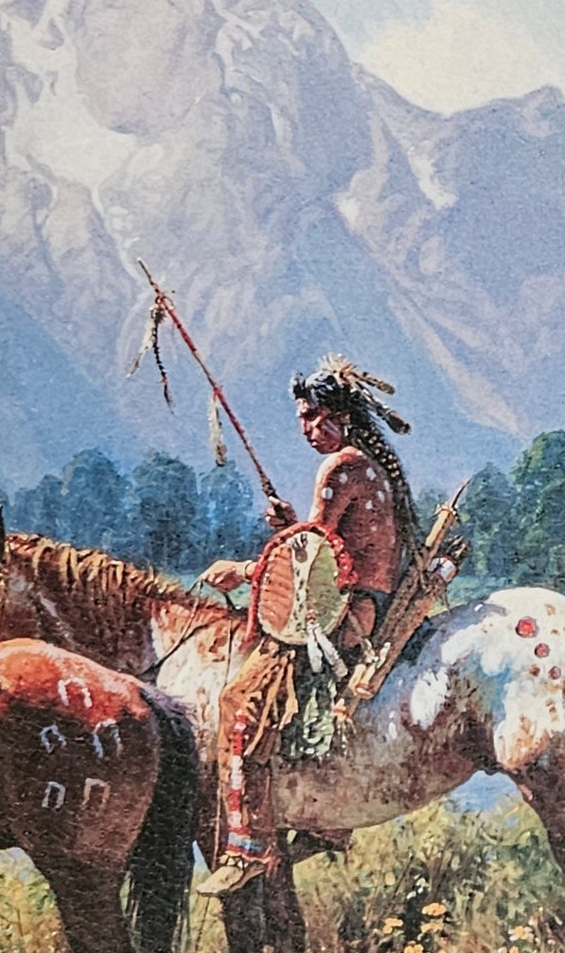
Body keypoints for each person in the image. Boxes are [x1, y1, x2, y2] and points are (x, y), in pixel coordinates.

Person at [197, 356, 421, 897]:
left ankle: (247, 846)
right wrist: (292, 526)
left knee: (239, 701)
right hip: (366, 603)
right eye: (301, 418)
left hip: (348, 612)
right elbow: (324, 541)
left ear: (341, 416)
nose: (306, 428)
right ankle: (323, 819)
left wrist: (243, 571)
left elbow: (312, 561)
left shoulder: (339, 467)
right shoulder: (367, 466)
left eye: (314, 416)